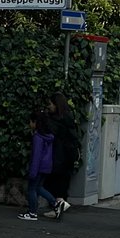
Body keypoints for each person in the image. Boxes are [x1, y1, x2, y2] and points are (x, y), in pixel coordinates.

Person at [42, 91, 77, 220]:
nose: (49, 106)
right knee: (61, 183)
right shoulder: (68, 118)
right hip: (67, 156)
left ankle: (57, 206)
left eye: (50, 104)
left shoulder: (55, 120)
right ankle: (60, 205)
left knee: (53, 183)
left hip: (58, 155)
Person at [18, 110, 57, 221]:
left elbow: (36, 155)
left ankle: (32, 212)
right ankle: (56, 203)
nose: (29, 124)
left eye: (30, 121)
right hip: (46, 166)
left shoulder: (37, 137)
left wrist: (32, 172)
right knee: (39, 187)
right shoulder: (48, 136)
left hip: (38, 166)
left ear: (35, 122)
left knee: (31, 189)